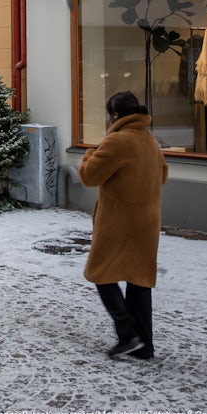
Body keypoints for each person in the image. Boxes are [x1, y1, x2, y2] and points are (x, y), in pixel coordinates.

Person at [79, 91, 168, 360]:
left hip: (119, 223)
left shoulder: (116, 141)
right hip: (147, 223)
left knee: (99, 274)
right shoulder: (149, 140)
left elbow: (89, 177)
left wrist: (88, 155)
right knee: (139, 281)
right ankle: (145, 345)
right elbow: (162, 174)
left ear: (115, 115)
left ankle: (128, 334)